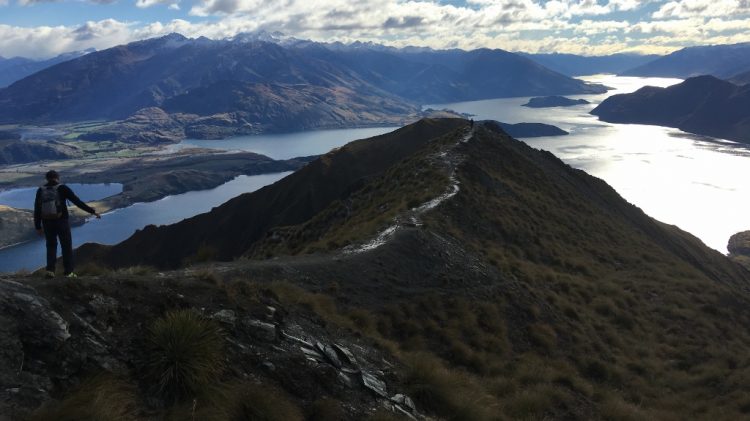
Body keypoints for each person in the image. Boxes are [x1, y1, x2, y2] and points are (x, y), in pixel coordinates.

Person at [34, 170, 101, 278]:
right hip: (62, 222)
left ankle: (50, 271)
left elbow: (37, 209)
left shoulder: (40, 190)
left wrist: (37, 226)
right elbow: (77, 202)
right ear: (57, 178)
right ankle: (68, 272)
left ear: (46, 179)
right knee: (66, 246)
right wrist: (92, 211)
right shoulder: (62, 188)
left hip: (47, 223)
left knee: (51, 246)